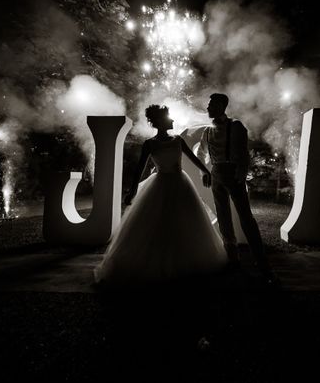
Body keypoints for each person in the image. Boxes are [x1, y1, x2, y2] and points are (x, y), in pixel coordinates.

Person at [93, 105, 228, 288]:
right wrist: (132, 191)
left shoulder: (178, 140)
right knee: (159, 223)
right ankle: (160, 262)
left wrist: (206, 171)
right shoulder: (150, 144)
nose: (172, 120)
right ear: (160, 121)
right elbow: (140, 169)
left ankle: (179, 260)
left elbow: (193, 158)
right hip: (161, 184)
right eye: (169, 117)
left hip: (180, 184)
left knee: (182, 222)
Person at [199, 93, 278, 285]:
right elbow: (200, 152)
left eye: (211, 105)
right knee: (223, 217)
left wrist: (241, 174)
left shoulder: (236, 126)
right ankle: (233, 259)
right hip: (217, 174)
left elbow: (243, 154)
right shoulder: (207, 131)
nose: (207, 108)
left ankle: (262, 263)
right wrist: (205, 171)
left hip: (233, 174)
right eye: (208, 105)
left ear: (221, 106)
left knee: (246, 217)